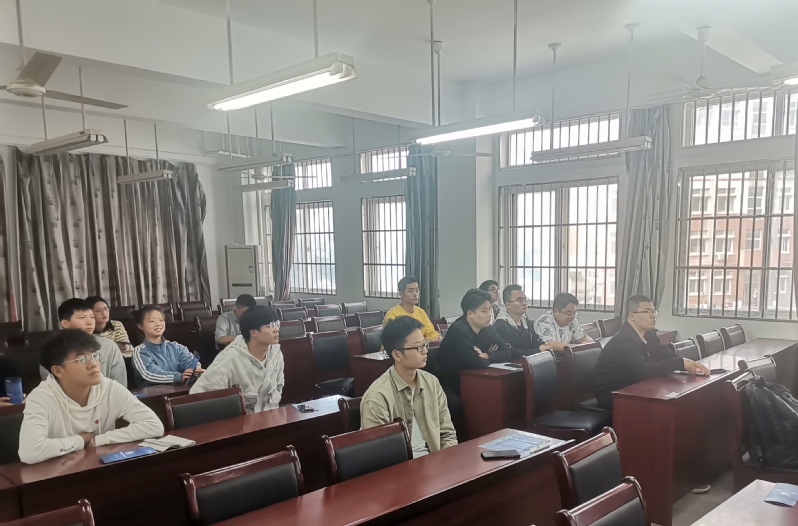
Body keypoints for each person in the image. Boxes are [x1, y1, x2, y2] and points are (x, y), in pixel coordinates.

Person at [18, 330, 164, 464]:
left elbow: (154, 426)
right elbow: (30, 452)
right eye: (81, 359)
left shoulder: (110, 388)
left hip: (100, 466)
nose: (93, 364)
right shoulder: (40, 398)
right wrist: (81, 440)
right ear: (58, 371)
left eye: (94, 356)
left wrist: (99, 440)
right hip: (57, 472)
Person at [594, 295, 710, 412]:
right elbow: (643, 372)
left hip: (636, 388)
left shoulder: (649, 334)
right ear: (632, 316)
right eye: (647, 311)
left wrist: (687, 364)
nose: (653, 315)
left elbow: (665, 354)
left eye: (654, 311)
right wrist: (680, 363)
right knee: (668, 407)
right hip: (614, 395)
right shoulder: (623, 340)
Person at [361, 317, 457, 457]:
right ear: (397, 354)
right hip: (401, 468)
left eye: (425, 344)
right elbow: (378, 455)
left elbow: (447, 434)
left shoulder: (432, 382)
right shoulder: (377, 397)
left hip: (436, 462)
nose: (425, 351)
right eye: (418, 347)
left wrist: (446, 462)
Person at [436, 289, 521, 436]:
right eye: (484, 311)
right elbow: (476, 362)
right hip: (448, 382)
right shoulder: (459, 330)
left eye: (490, 310)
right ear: (470, 313)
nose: (489, 315)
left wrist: (487, 355)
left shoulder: (488, 329)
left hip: (472, 381)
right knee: (461, 404)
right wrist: (483, 358)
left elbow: (507, 352)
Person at [191, 306, 284, 413]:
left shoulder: (276, 353)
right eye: (270, 326)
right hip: (242, 421)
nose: (277, 329)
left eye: (277, 324)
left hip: (271, 417)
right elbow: (198, 395)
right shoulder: (230, 358)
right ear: (254, 332)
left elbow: (279, 386)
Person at [44, 298, 127, 387]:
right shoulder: (53, 350)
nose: (90, 322)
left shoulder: (109, 346)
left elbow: (120, 385)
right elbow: (51, 386)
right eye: (82, 317)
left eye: (92, 317)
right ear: (65, 323)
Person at [132, 305, 204, 387]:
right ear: (140, 326)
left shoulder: (175, 346)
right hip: (155, 393)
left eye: (161, 320)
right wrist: (178, 377)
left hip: (180, 390)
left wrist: (196, 370)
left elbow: (188, 360)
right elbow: (149, 373)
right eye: (152, 321)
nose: (158, 324)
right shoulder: (139, 351)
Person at [494, 285, 550, 354]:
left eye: (525, 299)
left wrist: (543, 345)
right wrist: (537, 351)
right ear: (508, 305)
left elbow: (535, 342)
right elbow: (509, 352)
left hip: (528, 359)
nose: (524, 303)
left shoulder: (526, 322)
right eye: (519, 300)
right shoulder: (500, 325)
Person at [383, 276, 441, 341]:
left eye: (417, 290)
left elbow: (432, 333)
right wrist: (425, 340)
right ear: (401, 294)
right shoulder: (392, 315)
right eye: (411, 291)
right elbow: (394, 341)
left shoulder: (421, 312)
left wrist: (437, 337)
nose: (415, 294)